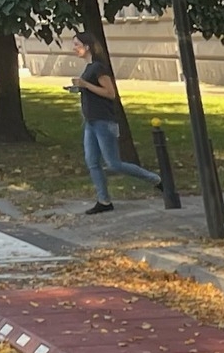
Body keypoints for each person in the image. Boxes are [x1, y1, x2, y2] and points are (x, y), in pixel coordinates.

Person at [64, 30, 162, 215]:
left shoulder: (99, 68)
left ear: (87, 47)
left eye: (77, 44)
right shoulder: (88, 68)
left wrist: (86, 85)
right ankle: (104, 200)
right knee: (92, 162)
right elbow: (92, 91)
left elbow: (110, 93)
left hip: (103, 122)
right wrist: (79, 88)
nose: (74, 48)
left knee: (114, 163)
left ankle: (155, 180)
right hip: (90, 122)